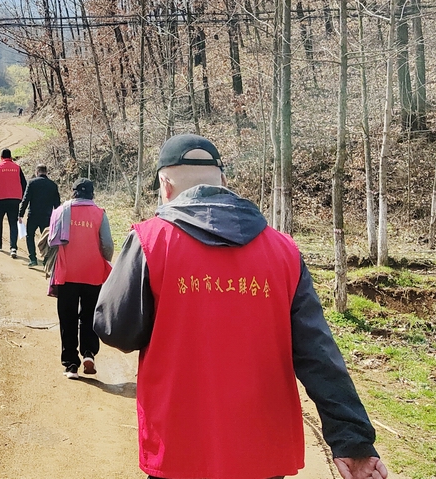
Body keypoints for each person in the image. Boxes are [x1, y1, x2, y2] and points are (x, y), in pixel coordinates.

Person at [93, 134, 387, 479]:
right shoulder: (284, 252)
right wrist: (352, 440)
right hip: (262, 452)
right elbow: (318, 353)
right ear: (225, 182)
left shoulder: (150, 241)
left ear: (165, 185)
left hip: (180, 446)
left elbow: (116, 329)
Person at [48, 179, 113, 379]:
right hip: (93, 274)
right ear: (92, 194)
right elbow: (108, 245)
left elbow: (52, 241)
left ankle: (70, 365)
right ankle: (89, 353)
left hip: (67, 274)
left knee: (67, 319)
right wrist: (102, 260)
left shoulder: (60, 211)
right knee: (89, 316)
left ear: (73, 193)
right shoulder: (100, 213)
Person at [19, 164, 61, 267]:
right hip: (47, 216)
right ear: (46, 172)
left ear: (36, 172)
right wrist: (58, 217)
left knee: (30, 236)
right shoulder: (53, 185)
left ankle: (33, 258)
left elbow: (26, 199)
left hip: (33, 215)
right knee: (47, 237)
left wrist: (20, 214)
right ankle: (46, 259)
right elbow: (57, 204)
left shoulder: (32, 183)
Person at [0, 149, 27, 258]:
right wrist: (23, 198)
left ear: (1, 157)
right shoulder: (17, 168)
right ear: (10, 157)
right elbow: (24, 184)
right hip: (14, 200)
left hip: (0, 199)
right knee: (13, 223)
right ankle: (13, 248)